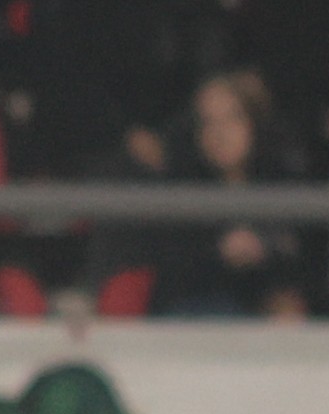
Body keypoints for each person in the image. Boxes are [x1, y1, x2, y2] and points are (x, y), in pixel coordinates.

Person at [104, 68, 314, 317]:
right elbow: (169, 264)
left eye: (232, 118)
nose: (219, 133)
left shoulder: (282, 185)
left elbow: (305, 262)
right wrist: (219, 252)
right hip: (195, 315)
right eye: (208, 122)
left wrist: (265, 251)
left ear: (255, 123)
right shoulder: (179, 189)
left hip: (265, 315)